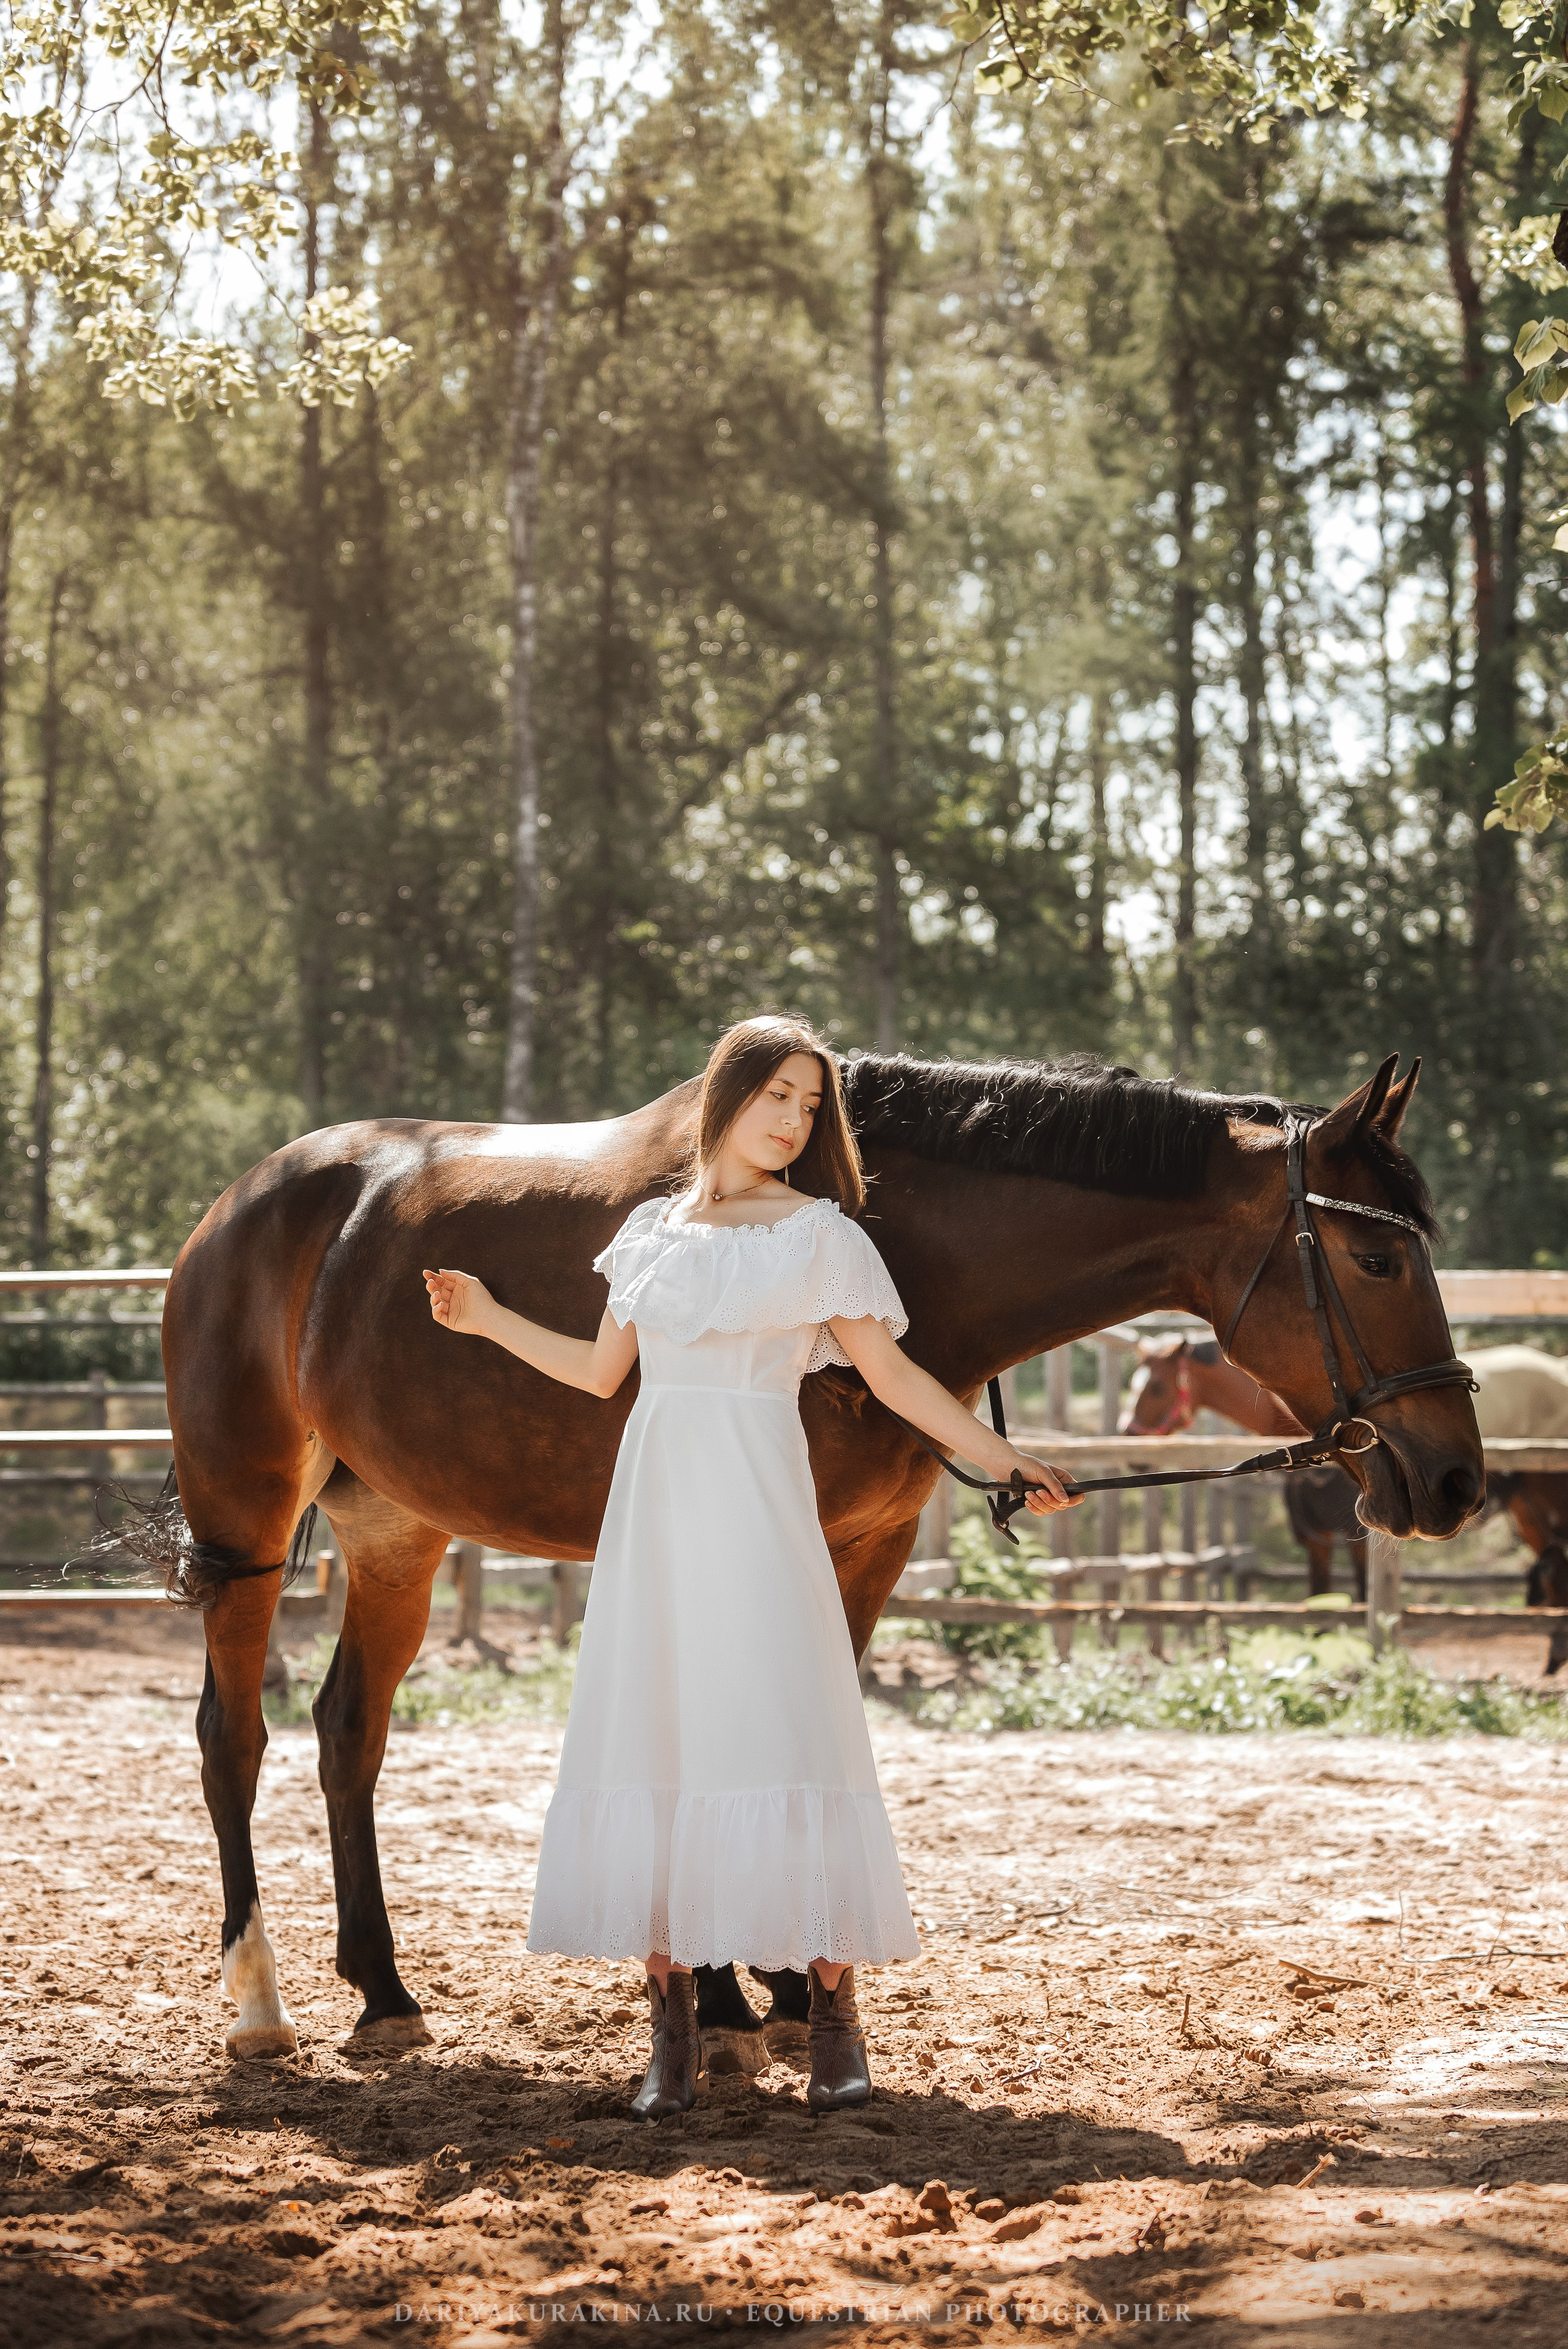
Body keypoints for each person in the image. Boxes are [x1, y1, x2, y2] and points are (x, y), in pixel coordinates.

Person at [423, 1013, 1078, 2120]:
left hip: (762, 1513)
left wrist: (1003, 1458)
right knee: (659, 1740)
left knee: (786, 1731)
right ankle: (672, 2028)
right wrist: (487, 1319)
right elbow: (600, 1374)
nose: (794, 1120)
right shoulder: (648, 1232)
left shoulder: (822, 1237)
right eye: (778, 1094)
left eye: (811, 1105)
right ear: (727, 1094)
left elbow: (898, 1378)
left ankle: (833, 2017)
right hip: (657, 1517)